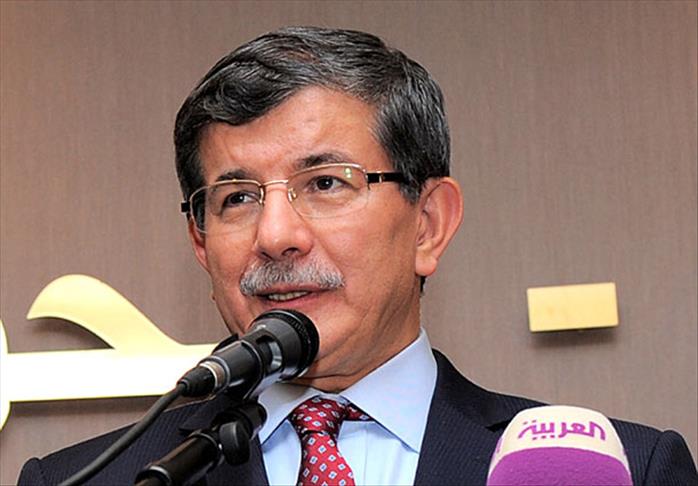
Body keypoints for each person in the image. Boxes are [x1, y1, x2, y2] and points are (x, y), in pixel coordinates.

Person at [18, 26, 697, 485]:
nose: (275, 235)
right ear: (200, 241)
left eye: (324, 184)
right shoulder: (95, 478)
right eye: (237, 198)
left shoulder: (622, 471)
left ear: (428, 224)